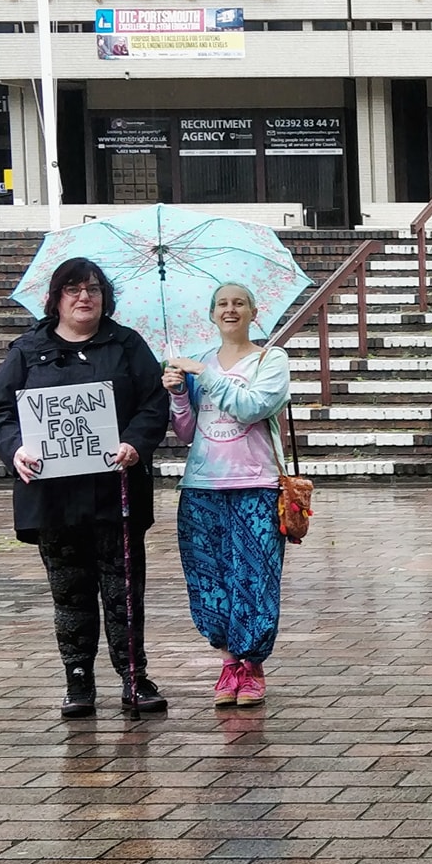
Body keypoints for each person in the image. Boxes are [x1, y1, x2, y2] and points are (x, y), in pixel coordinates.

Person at [0, 257, 172, 717]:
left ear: (105, 297)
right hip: (54, 496)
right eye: (73, 289)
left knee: (124, 591)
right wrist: (16, 450)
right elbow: (1, 414)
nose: (84, 297)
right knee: (70, 592)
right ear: (56, 298)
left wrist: (135, 443)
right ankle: (78, 679)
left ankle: (134, 677)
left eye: (93, 289)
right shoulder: (27, 350)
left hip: (115, 490)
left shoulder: (127, 345)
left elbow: (153, 403)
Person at [162, 283, 293, 709]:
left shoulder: (271, 360)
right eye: (222, 304)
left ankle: (252, 665)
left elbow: (252, 408)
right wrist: (178, 394)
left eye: (239, 303)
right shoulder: (199, 361)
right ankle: (228, 663)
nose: (230, 309)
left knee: (255, 575)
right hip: (202, 485)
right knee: (209, 577)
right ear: (212, 314)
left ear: (253, 312)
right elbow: (186, 432)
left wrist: (205, 376)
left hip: (256, 483)